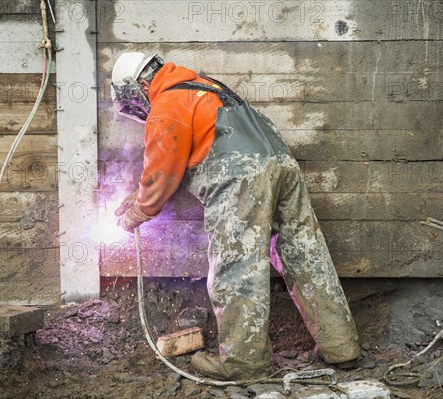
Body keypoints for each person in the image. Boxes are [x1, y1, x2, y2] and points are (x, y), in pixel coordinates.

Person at [111, 52, 360, 380]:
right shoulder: (206, 86)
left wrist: (139, 211)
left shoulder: (167, 103)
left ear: (142, 86)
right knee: (305, 255)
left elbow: (161, 173)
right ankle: (341, 347)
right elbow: (173, 162)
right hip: (282, 166)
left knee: (236, 267)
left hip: (240, 178)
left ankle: (244, 363)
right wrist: (138, 195)